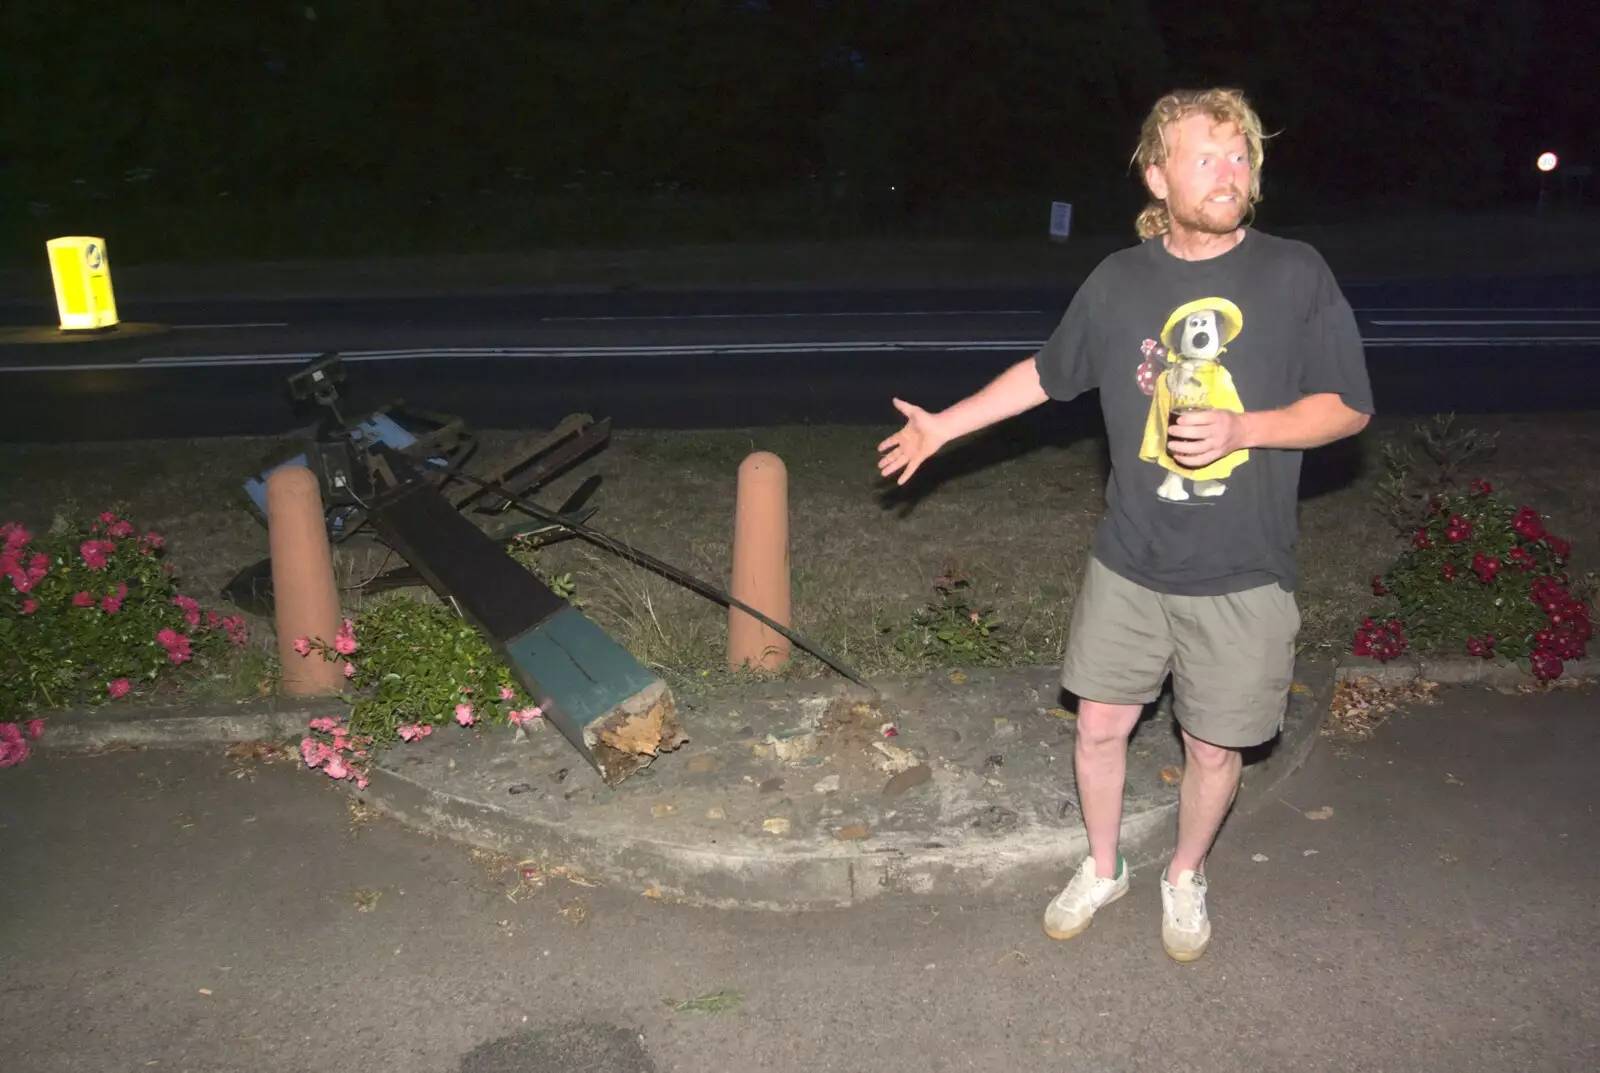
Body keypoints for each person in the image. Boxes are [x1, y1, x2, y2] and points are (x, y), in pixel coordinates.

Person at [876, 88, 1374, 962]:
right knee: (1098, 726)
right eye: (1208, 156)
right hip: (1129, 564)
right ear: (1158, 173)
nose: (1232, 173)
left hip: (1244, 571)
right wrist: (944, 425)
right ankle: (1102, 866)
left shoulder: (1297, 273)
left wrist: (1244, 428)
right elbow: (1046, 372)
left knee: (1214, 749)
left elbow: (1347, 408)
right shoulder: (1118, 281)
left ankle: (1184, 874)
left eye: (1242, 156)